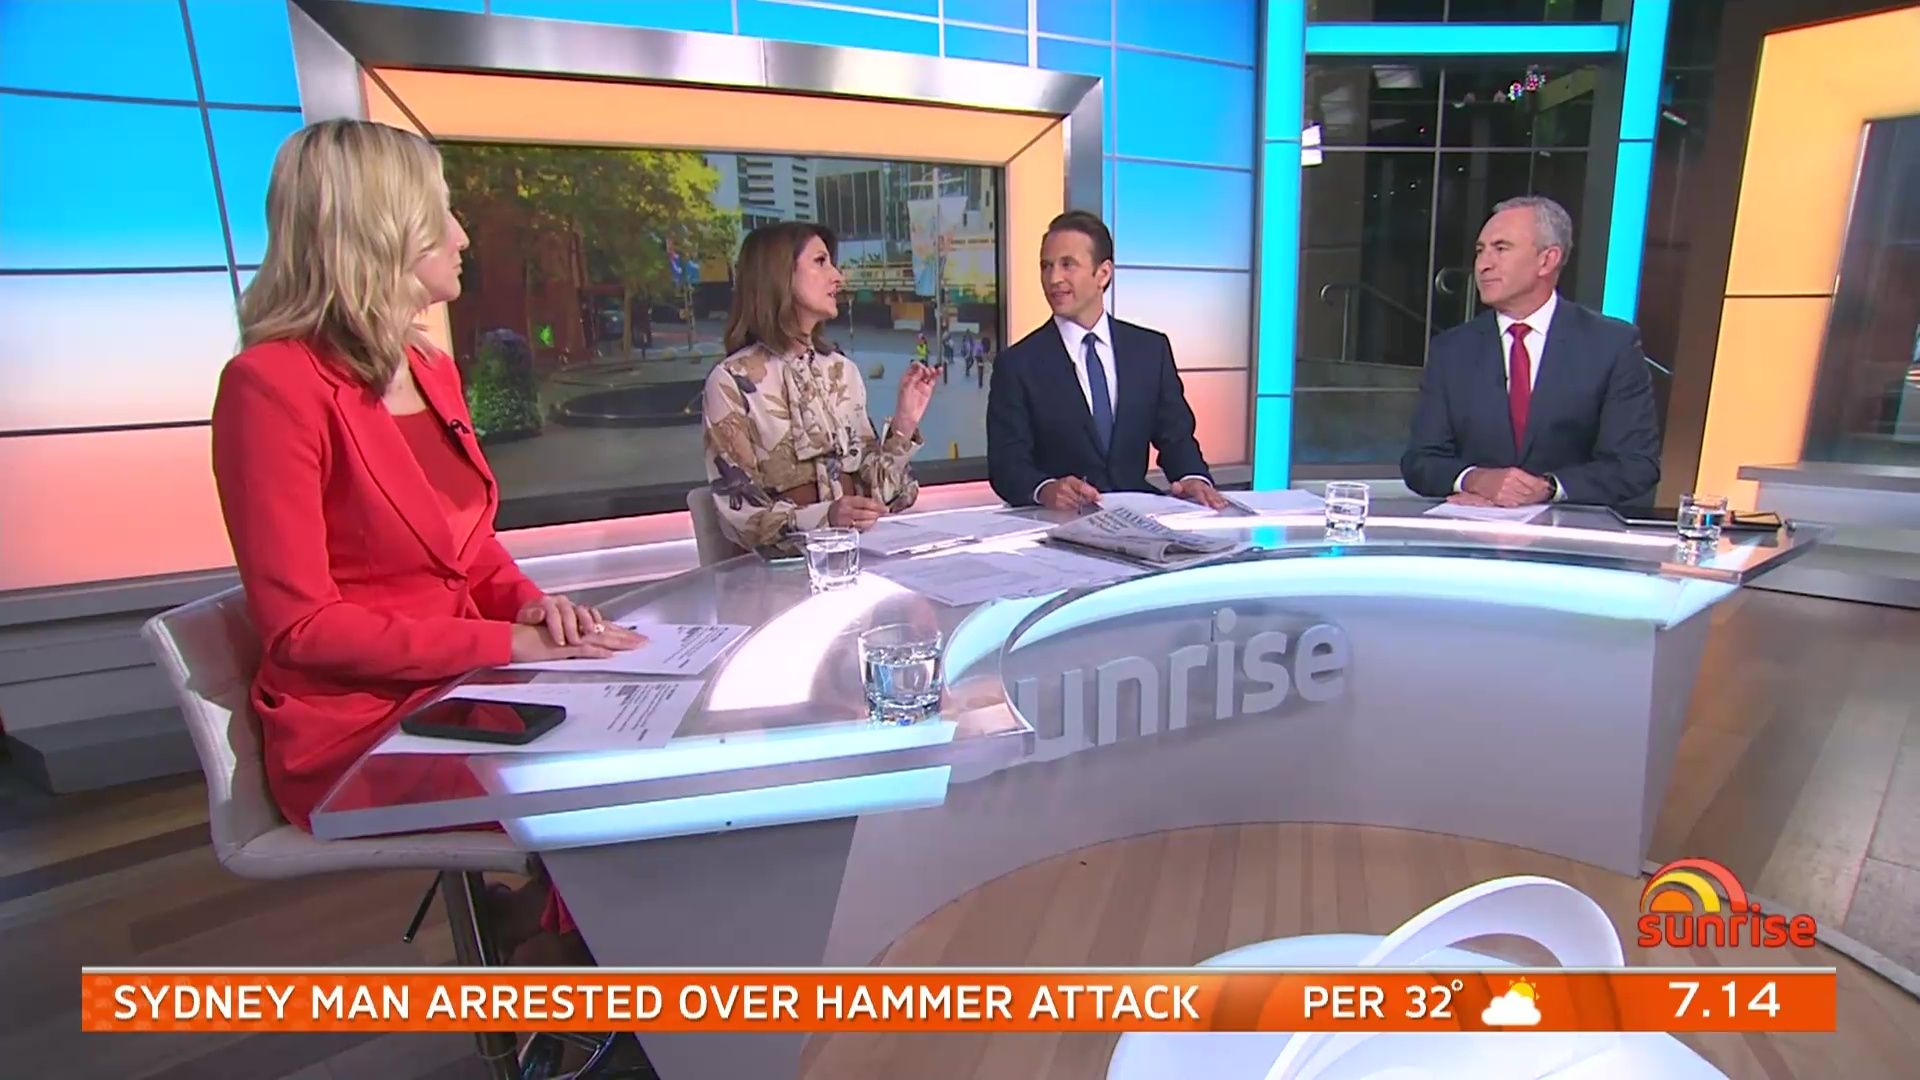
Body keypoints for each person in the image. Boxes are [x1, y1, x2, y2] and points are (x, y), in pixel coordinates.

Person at [210, 119, 640, 963]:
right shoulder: (270, 386)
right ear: (382, 228)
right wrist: (507, 643)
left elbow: (469, 550)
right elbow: (303, 630)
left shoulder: (430, 368)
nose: (462, 235)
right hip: (359, 730)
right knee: (605, 781)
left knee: (649, 737)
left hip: (466, 686)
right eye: (442, 212)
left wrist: (537, 611)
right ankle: (583, 976)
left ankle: (574, 945)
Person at [1401, 195, 1660, 507]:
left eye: (1501, 248)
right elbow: (1420, 461)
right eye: (1480, 251)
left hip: (1570, 530)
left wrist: (1549, 487)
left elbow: (1635, 464)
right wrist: (1475, 479)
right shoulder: (1452, 350)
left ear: (1547, 260)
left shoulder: (1611, 345)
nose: (1483, 264)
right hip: (1473, 529)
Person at [702, 222, 939, 555]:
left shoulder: (842, 372)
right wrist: (826, 518)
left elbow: (882, 496)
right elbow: (741, 517)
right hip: (780, 572)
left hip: (859, 556)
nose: (837, 277)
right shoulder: (730, 382)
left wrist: (904, 423)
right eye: (820, 261)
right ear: (779, 274)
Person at [987, 211, 1226, 511]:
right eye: (1046, 266)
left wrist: (1193, 478)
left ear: (1103, 273)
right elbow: (1006, 464)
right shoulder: (1017, 364)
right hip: (1059, 524)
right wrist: (1045, 489)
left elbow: (1176, 436)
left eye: (1067, 264)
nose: (1053, 278)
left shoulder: (1150, 350)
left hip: (1138, 517)